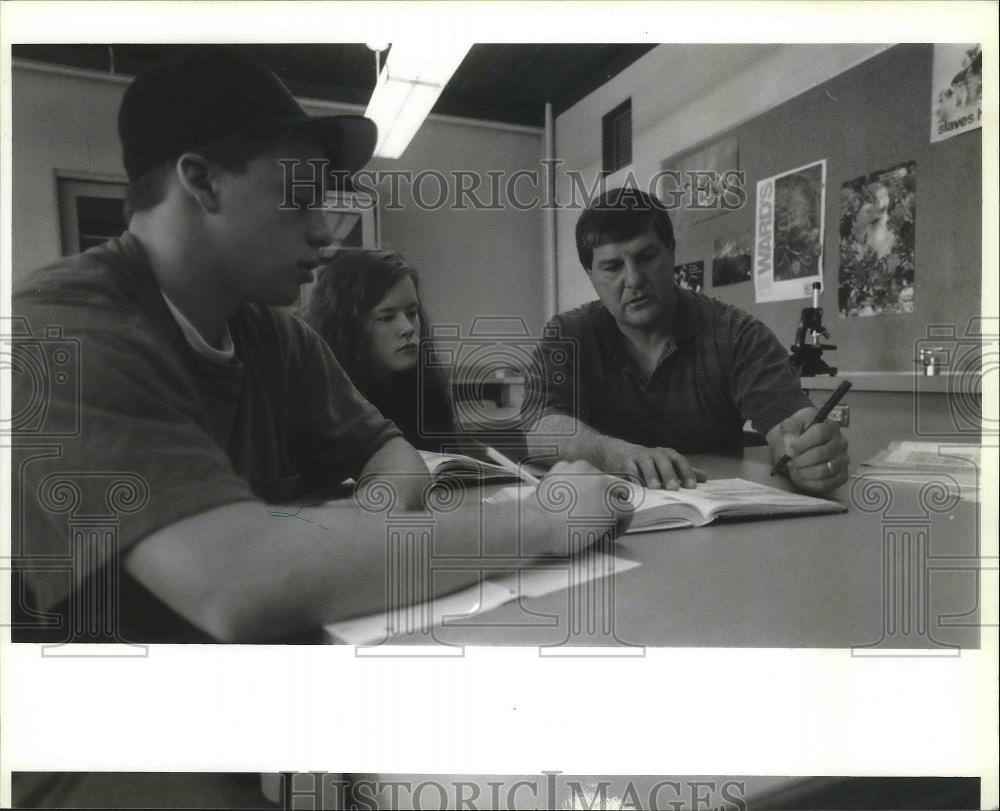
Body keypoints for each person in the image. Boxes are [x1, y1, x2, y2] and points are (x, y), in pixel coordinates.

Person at [11, 47, 629, 646]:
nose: (322, 231)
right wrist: (544, 516)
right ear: (202, 182)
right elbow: (235, 584)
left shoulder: (272, 333)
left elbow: (393, 455)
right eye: (301, 199)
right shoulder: (62, 327)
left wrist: (354, 535)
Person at [524, 187, 849, 496]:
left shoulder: (736, 333)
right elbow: (541, 428)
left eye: (647, 257)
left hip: (714, 524)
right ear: (590, 273)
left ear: (672, 252)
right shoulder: (568, 335)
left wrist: (809, 447)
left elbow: (788, 420)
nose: (634, 280)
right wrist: (617, 455)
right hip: (600, 517)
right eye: (612, 267)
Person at [304, 249, 457, 451]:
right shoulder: (322, 402)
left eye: (412, 313)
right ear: (348, 328)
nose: (408, 328)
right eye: (386, 317)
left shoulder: (429, 393)